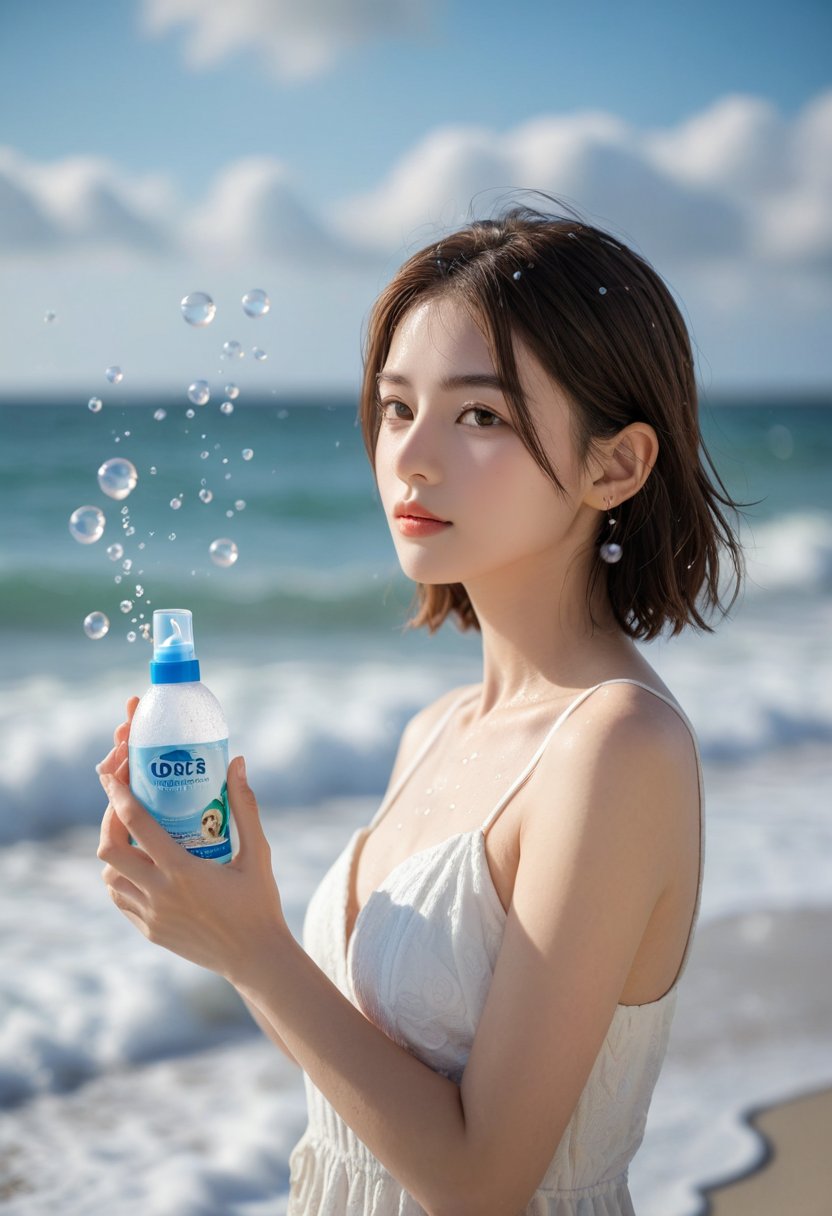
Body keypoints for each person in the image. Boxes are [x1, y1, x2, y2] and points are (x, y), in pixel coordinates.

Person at [97, 201, 744, 1216]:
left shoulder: (619, 744)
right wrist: (211, 914)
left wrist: (254, 950)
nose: (411, 454)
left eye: (479, 415)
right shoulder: (436, 728)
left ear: (612, 464)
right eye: (398, 407)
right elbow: (361, 1081)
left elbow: (482, 1182)